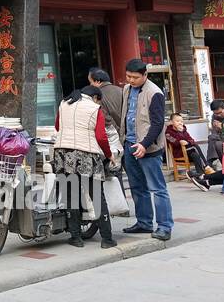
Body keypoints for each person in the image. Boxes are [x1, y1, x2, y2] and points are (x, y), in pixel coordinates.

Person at [54, 85, 117, 249]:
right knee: (97, 196)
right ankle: (107, 239)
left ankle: (75, 237)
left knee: (70, 195)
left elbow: (57, 127)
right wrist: (109, 154)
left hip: (63, 153)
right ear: (95, 97)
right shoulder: (95, 108)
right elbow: (101, 137)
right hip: (86, 154)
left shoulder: (64, 103)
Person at [120, 58, 173, 240]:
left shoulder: (154, 92)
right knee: (136, 186)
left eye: (135, 77)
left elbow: (158, 123)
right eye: (128, 76)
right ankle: (144, 222)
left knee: (157, 188)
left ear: (145, 75)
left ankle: (165, 226)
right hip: (129, 144)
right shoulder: (126, 89)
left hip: (148, 148)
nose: (131, 80)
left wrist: (144, 144)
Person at [87, 68, 125, 145]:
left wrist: (119, 135)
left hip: (114, 140)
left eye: (90, 82)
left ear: (97, 81)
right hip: (127, 136)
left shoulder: (97, 97)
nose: (90, 85)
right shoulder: (121, 90)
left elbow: (106, 120)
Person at [165, 111, 209, 177]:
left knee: (195, 155)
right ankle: (206, 166)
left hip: (189, 152)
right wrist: (180, 136)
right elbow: (174, 142)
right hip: (179, 153)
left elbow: (191, 140)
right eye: (177, 121)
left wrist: (183, 135)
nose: (180, 123)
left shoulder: (184, 130)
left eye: (181, 121)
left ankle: (200, 175)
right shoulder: (168, 133)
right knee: (195, 146)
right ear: (171, 122)